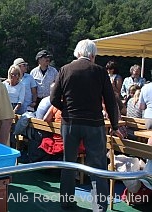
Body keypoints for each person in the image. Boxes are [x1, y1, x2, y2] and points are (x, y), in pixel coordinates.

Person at [50, 39, 123, 211]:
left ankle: (66, 201)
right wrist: (114, 125)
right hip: (94, 124)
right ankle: (99, 205)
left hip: (70, 124)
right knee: (97, 165)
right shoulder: (99, 71)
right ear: (92, 55)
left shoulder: (65, 70)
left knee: (68, 163)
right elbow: (111, 101)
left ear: (77, 53)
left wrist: (66, 110)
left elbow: (53, 98)